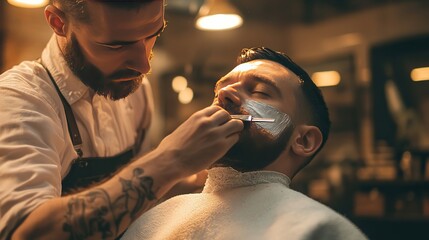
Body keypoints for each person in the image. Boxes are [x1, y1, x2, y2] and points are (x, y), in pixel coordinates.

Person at [0, 1, 243, 239]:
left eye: (152, 35)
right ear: (58, 22)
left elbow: (136, 200)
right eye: (116, 45)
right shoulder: (22, 102)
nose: (143, 65)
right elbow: (26, 232)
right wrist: (171, 159)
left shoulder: (135, 93)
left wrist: (195, 176)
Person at [121, 47, 368, 240]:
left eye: (260, 92)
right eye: (220, 91)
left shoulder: (319, 230)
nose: (225, 95)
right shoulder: (154, 218)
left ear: (303, 140)